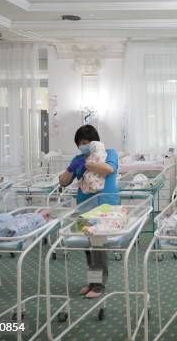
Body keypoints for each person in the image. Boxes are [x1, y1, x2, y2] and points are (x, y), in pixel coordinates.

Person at [59, 125, 119, 299]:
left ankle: (99, 285)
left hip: (105, 206)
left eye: (87, 142)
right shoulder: (77, 159)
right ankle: (92, 282)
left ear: (95, 141)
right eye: (81, 143)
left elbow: (109, 170)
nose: (83, 145)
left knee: (98, 246)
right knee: (87, 247)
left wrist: (89, 164)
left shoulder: (109, 153)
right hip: (84, 207)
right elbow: (63, 182)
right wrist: (71, 169)